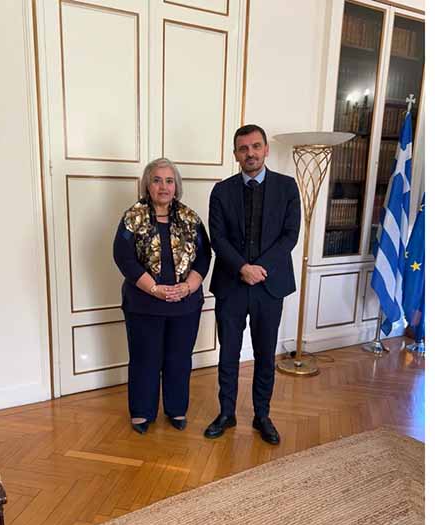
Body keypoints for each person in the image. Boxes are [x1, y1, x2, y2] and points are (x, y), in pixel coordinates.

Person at [204, 124, 301, 445]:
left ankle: (262, 415)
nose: (251, 153)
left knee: (265, 354)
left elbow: (290, 235)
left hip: (270, 286)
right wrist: (242, 268)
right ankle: (226, 413)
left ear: (265, 150)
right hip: (231, 285)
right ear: (235, 154)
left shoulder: (287, 187)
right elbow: (217, 237)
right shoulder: (221, 191)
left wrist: (260, 269)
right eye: (243, 148)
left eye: (256, 146)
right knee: (228, 354)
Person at [113, 158, 212, 435]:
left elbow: (205, 256)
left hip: (185, 304)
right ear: (148, 184)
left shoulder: (191, 218)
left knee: (179, 359)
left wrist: (189, 286)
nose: (163, 186)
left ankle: (176, 409)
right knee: (145, 359)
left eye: (169, 181)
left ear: (176, 186)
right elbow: (123, 257)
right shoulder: (133, 217)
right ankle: (142, 412)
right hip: (143, 304)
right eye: (157, 180)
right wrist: (154, 288)